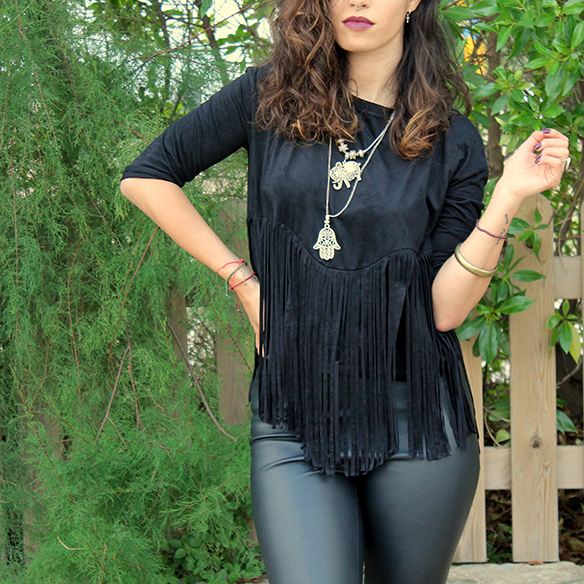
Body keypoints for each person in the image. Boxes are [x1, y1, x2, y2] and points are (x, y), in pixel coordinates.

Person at [120, 0, 570, 582]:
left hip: (416, 420)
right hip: (294, 415)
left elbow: (444, 310)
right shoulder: (266, 98)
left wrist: (508, 197)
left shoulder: (452, 140)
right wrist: (242, 279)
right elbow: (146, 176)